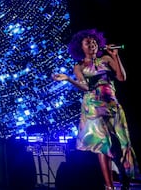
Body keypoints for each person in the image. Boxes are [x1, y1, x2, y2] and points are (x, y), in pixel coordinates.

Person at [52, 28, 139, 190]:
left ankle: (124, 177)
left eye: (93, 42)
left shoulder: (106, 59)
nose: (92, 44)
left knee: (121, 144)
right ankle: (109, 186)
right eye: (88, 43)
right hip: (93, 109)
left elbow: (122, 77)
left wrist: (115, 56)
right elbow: (85, 87)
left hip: (112, 106)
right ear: (81, 47)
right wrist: (68, 79)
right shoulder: (78, 67)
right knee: (102, 145)